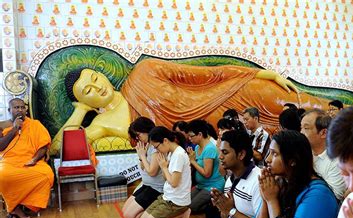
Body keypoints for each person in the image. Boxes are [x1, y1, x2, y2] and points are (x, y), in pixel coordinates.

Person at [52, 60, 330, 154]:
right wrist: (78, 112)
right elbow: (58, 147)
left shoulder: (144, 71)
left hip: (235, 94)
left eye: (95, 78)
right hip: (220, 128)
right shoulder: (102, 124)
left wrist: (260, 74)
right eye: (87, 91)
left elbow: (206, 75)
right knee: (296, 128)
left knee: (308, 105)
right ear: (83, 101)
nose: (97, 87)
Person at [0, 98, 54, 218]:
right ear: (9, 110)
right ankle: (14, 207)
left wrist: (34, 160)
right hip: (9, 162)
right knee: (2, 176)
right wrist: (14, 129)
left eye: (22, 107)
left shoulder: (35, 125)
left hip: (30, 161)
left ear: (26, 110)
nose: (20, 110)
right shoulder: (2, 126)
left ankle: (24, 205)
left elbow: (43, 145)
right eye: (16, 108)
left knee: (46, 175)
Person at [138, 127, 192, 218]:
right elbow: (165, 178)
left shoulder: (179, 155)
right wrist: (164, 166)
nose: (156, 150)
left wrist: (164, 167)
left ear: (165, 141)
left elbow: (174, 183)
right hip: (167, 197)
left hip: (176, 202)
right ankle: (179, 214)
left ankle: (181, 214)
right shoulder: (170, 153)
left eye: (156, 147)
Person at [121, 117, 165, 218]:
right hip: (147, 185)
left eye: (138, 134)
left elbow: (152, 172)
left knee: (129, 216)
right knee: (124, 211)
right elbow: (142, 166)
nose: (137, 138)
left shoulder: (155, 146)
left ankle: (156, 211)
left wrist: (142, 156)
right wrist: (141, 156)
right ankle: (150, 210)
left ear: (146, 131)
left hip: (156, 188)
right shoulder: (148, 145)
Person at [300, 109, 346, 200]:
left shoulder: (337, 161)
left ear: (323, 133)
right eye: (301, 127)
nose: (301, 132)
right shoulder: (303, 151)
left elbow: (332, 197)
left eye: (306, 128)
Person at [186, 120, 225, 214]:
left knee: (191, 208)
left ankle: (214, 203)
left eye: (191, 136)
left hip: (212, 186)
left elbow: (207, 173)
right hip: (201, 185)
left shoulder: (209, 149)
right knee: (184, 203)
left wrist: (192, 161)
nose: (190, 139)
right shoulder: (197, 147)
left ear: (200, 134)